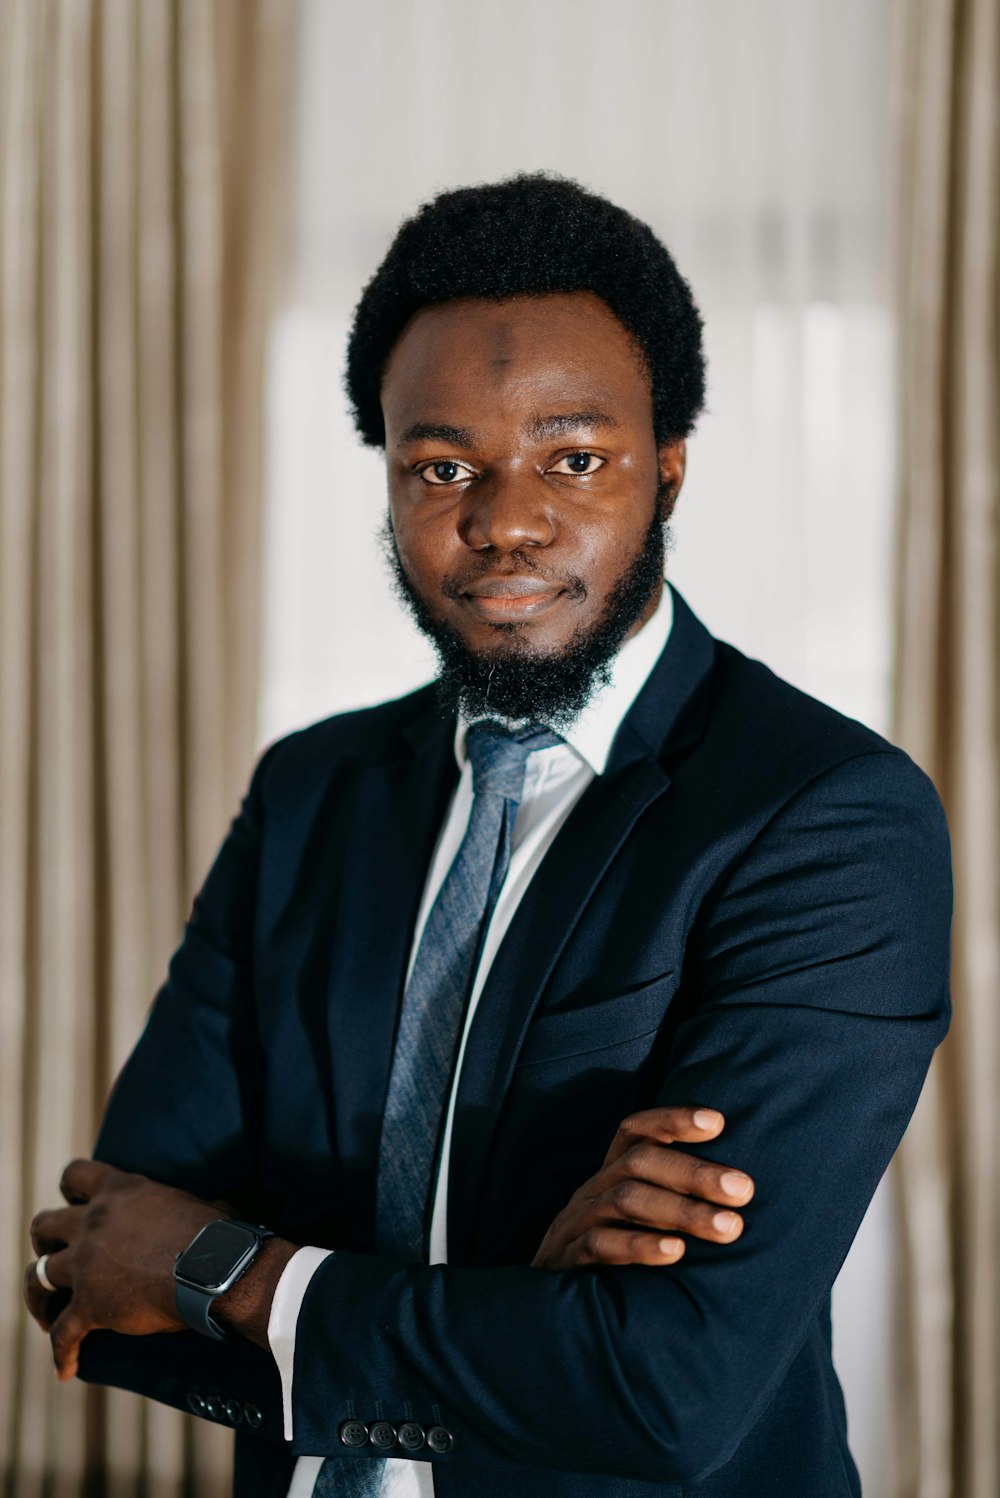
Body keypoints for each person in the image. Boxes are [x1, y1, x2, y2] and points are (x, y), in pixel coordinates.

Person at [23, 175, 952, 1498]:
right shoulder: (311, 792)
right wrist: (520, 1304)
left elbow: (665, 1389)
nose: (505, 518)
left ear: (671, 468)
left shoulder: (823, 817)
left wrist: (230, 1271)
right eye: (443, 465)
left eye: (574, 457)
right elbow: (102, 1286)